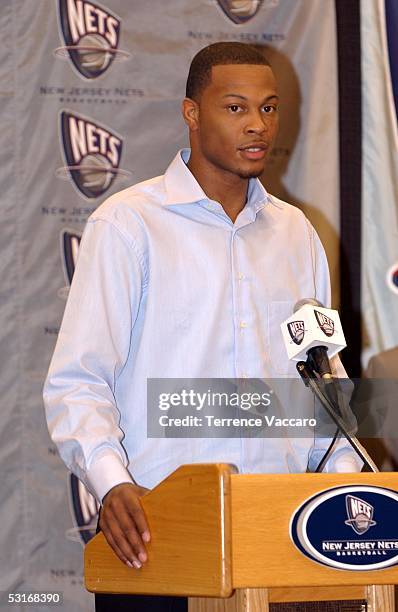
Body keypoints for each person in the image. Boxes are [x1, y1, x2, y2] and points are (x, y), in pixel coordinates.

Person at [43, 42, 361, 611]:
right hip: (160, 539)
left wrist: (344, 484)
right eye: (235, 108)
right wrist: (112, 483)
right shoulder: (128, 225)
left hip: (281, 539)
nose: (256, 125)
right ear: (192, 113)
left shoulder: (297, 235)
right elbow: (79, 380)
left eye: (269, 108)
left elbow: (320, 377)